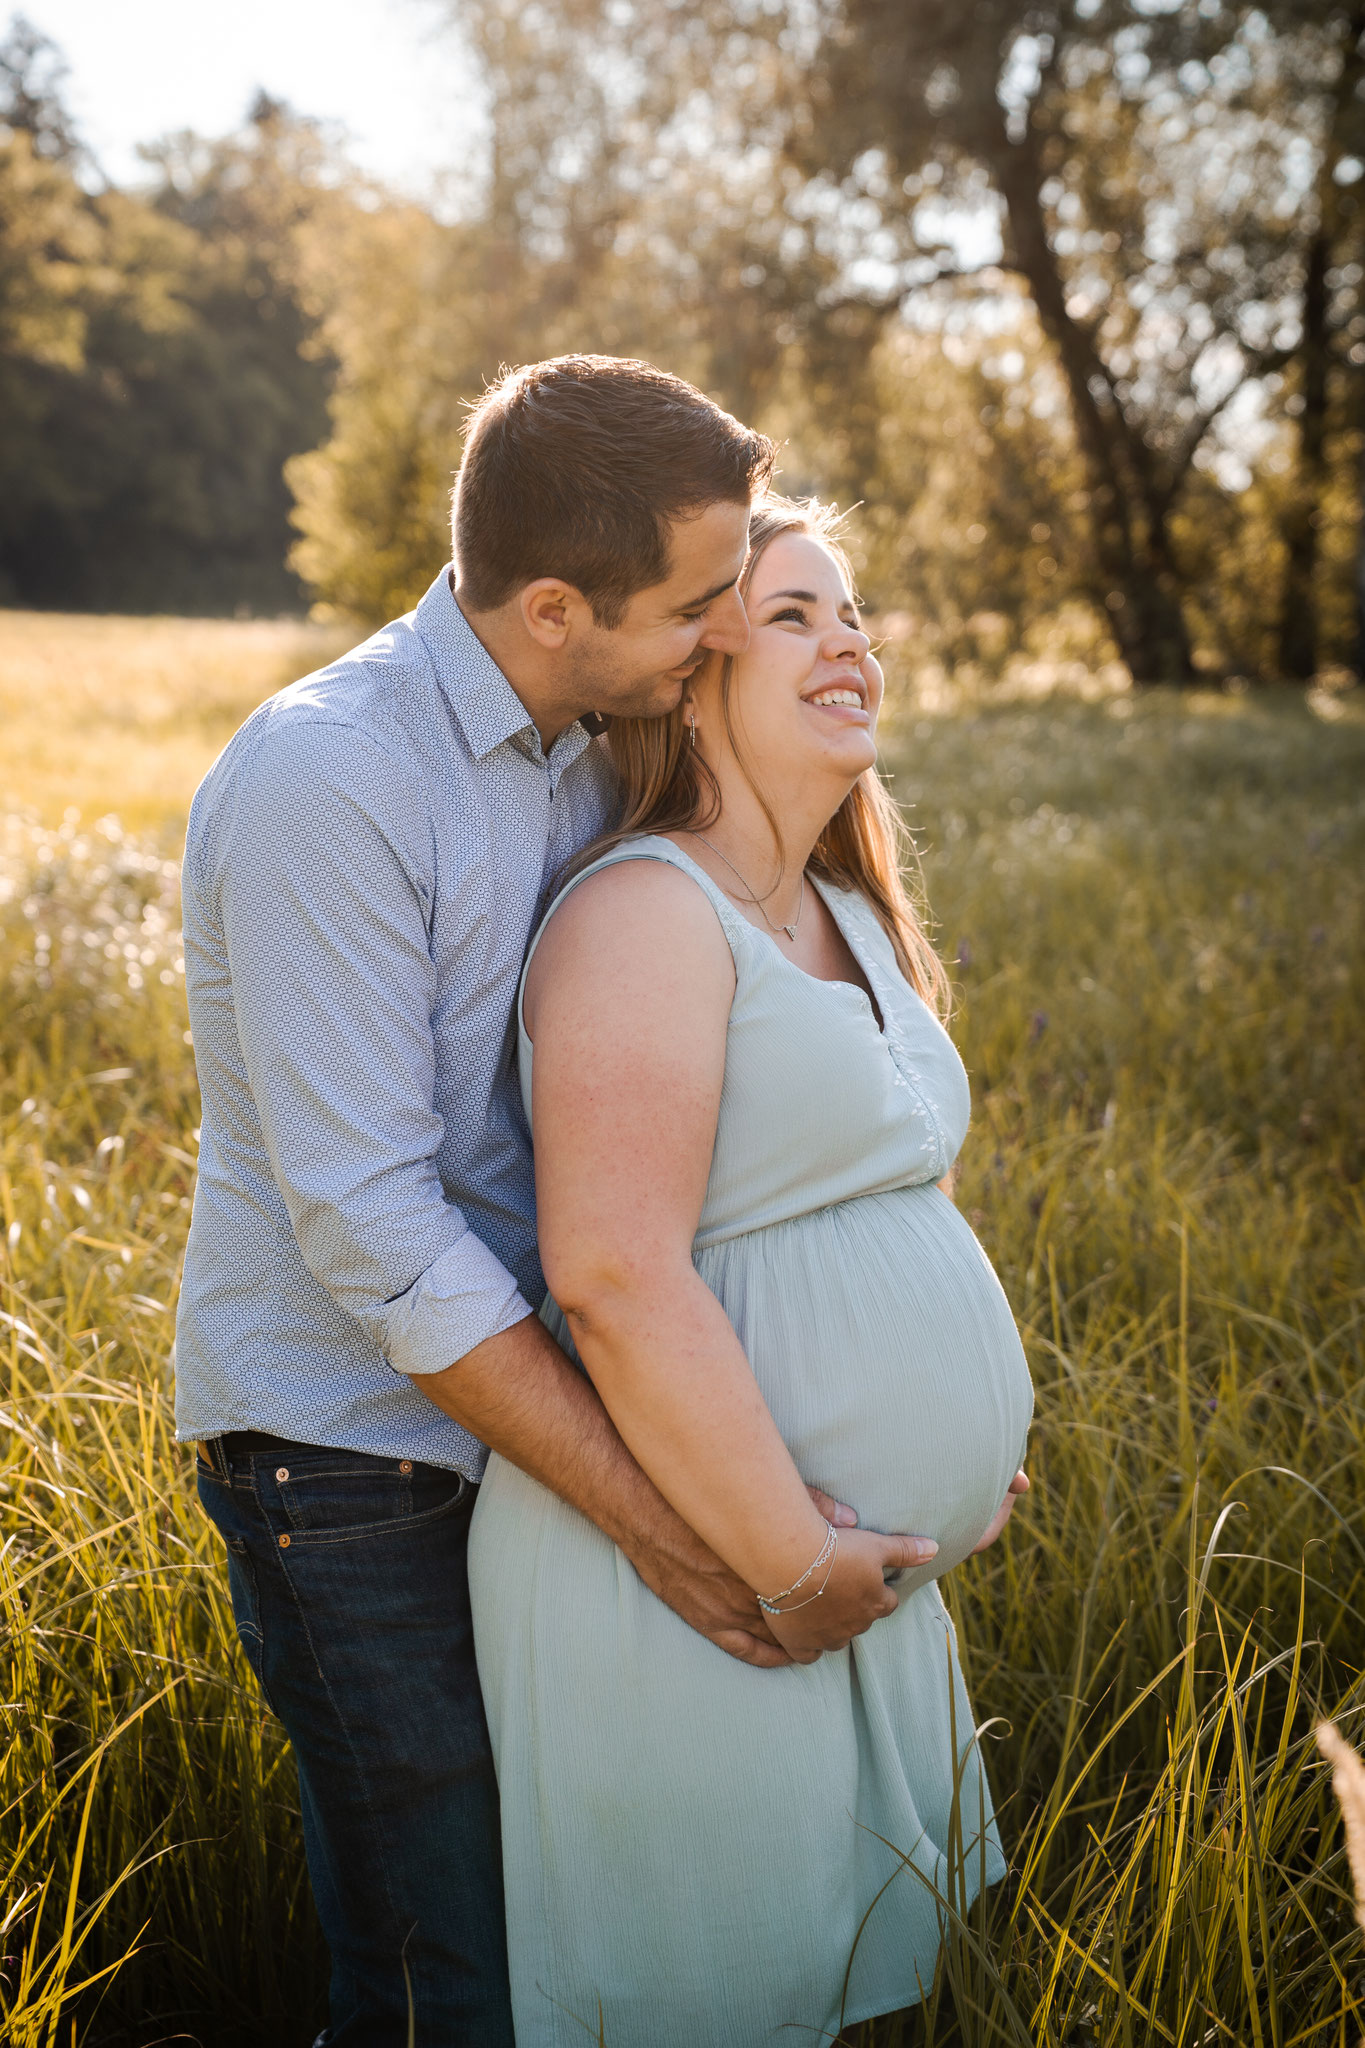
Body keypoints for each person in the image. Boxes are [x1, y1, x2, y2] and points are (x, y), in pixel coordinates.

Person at [175, 358, 929, 2045]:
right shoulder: (331, 782)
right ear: (549, 605)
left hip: (542, 1420)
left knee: (562, 1924)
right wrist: (673, 1529)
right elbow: (372, 1230)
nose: (723, 634)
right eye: (697, 607)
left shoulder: (592, 733)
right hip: (352, 1457)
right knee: (442, 1964)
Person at [469, 495, 1034, 2046]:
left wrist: (962, 1447)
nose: (848, 639)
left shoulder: (848, 910)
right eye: (792, 614)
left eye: (851, 613)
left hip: (859, 1586)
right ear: (690, 669)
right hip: (704, 1588)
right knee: (716, 2001)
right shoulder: (645, 914)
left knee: (860, 1995)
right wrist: (788, 1559)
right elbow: (612, 1278)